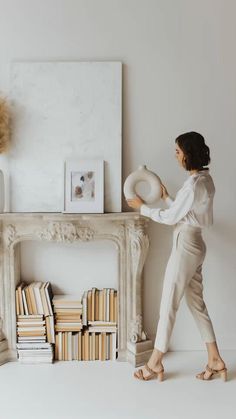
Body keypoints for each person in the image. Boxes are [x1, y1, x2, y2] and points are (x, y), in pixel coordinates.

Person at [126, 131, 227, 382]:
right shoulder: (205, 179)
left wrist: (143, 209)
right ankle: (215, 359)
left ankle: (155, 363)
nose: (175, 156)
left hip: (185, 246)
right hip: (196, 243)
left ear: (188, 155)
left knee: (168, 304)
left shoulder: (193, 185)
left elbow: (172, 218)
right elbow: (187, 213)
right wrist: (168, 198)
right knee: (197, 305)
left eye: (178, 152)